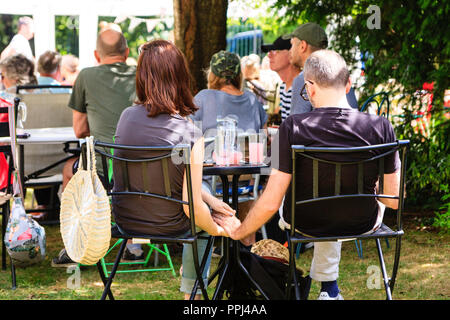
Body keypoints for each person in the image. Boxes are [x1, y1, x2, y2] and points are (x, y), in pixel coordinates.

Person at [213, 50, 401, 300]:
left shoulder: (293, 127)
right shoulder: (381, 127)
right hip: (362, 220)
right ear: (348, 85)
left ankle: (327, 288)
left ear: (309, 88)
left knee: (321, 202)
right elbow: (394, 200)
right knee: (336, 201)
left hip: (304, 219)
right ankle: (329, 290)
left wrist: (239, 231)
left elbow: (270, 202)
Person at [113, 39, 234, 300]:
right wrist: (216, 229)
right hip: (169, 223)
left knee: (205, 198)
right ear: (180, 77)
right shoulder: (189, 133)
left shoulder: (125, 117)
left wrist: (210, 201)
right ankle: (193, 295)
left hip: (126, 219)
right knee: (201, 221)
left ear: (142, 76)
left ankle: (192, 289)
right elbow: (191, 209)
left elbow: (173, 179)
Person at [54, 28, 138, 267]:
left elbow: (79, 131)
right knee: (125, 175)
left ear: (96, 54)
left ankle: (76, 242)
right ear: (127, 52)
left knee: (70, 172)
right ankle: (134, 244)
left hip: (102, 168)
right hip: (142, 167)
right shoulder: (142, 74)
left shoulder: (85, 76)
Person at [192, 51, 268, 246]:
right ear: (238, 76)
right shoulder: (253, 101)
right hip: (245, 185)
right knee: (243, 186)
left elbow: (187, 139)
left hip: (209, 184)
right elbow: (264, 141)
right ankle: (247, 245)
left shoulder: (203, 98)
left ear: (213, 75)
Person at [283, 22, 359, 115]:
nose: (290, 50)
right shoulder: (340, 73)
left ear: (303, 46)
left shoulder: (303, 79)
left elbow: (295, 126)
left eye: (292, 45)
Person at [262, 36, 301, 122]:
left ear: (291, 53)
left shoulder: (302, 86)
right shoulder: (284, 87)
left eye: (276, 51)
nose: (269, 55)